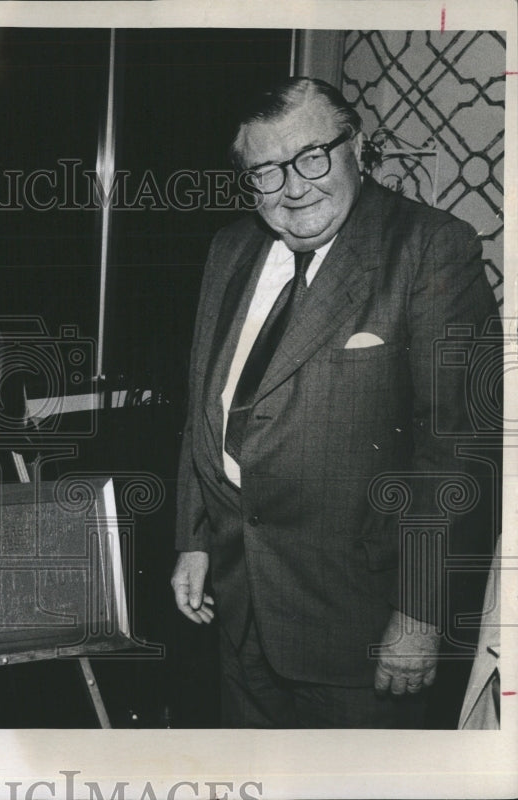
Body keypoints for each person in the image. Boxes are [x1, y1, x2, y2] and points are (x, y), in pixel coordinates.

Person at [171, 77, 499, 728]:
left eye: (312, 157)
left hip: (363, 627)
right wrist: (196, 540)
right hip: (240, 610)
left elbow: (456, 450)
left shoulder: (430, 248)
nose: (293, 188)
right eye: (266, 171)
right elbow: (205, 405)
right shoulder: (230, 248)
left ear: (358, 147)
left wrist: (421, 613)